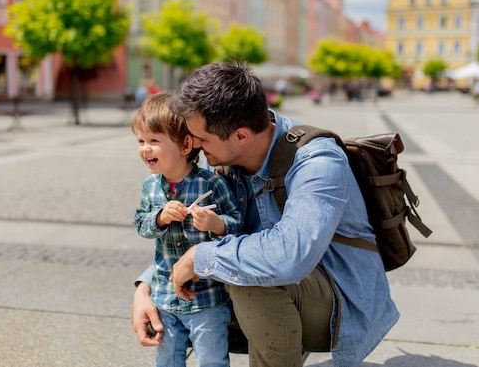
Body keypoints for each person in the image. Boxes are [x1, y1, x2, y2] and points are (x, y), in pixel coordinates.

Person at [132, 62, 399, 367]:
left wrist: (199, 257)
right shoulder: (221, 151)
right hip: (284, 289)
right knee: (230, 264)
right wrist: (145, 288)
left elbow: (289, 256)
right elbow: (188, 236)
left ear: (241, 136)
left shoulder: (317, 161)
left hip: (340, 300)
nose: (195, 147)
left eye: (202, 140)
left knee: (244, 274)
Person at [132, 92, 243, 367]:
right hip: (165, 296)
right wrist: (159, 218)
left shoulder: (210, 184)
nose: (146, 148)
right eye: (141, 141)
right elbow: (140, 224)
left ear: (185, 146)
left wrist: (215, 224)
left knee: (212, 360)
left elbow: (236, 225)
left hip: (208, 297)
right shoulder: (151, 186)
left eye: (154, 141)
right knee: (167, 359)